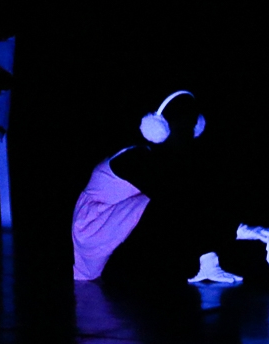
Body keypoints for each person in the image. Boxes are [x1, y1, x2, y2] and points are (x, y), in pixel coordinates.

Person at [72, 91, 244, 283]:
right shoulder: (135, 158)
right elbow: (177, 202)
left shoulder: (158, 158)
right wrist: (241, 230)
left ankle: (205, 265)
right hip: (92, 226)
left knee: (183, 198)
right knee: (170, 205)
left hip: (113, 220)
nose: (190, 135)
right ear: (159, 130)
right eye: (183, 129)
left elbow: (190, 200)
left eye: (193, 128)